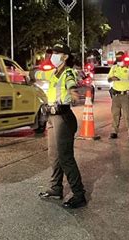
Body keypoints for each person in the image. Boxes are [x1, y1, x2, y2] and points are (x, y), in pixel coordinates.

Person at [35, 44, 87, 209]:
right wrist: (25, 73)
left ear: (65, 56)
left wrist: (72, 91)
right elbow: (38, 73)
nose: (53, 56)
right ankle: (56, 188)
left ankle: (79, 194)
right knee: (54, 155)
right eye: (52, 53)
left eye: (57, 53)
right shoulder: (53, 73)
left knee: (65, 157)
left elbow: (72, 82)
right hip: (52, 117)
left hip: (63, 118)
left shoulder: (68, 72)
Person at [107, 51, 129, 140]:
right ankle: (114, 132)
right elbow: (108, 79)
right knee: (115, 114)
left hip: (126, 95)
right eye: (117, 59)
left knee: (128, 115)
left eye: (120, 59)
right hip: (116, 95)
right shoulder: (114, 67)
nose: (118, 61)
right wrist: (111, 78)